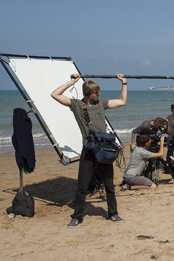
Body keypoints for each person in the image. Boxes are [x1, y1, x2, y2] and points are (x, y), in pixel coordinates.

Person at [51, 73, 127, 228]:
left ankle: (113, 214)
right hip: (88, 150)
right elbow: (55, 94)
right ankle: (77, 217)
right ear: (88, 93)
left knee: (109, 185)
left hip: (103, 149)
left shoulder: (101, 103)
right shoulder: (76, 105)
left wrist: (124, 83)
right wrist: (72, 82)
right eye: (96, 92)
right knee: (82, 186)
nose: (98, 94)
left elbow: (122, 101)